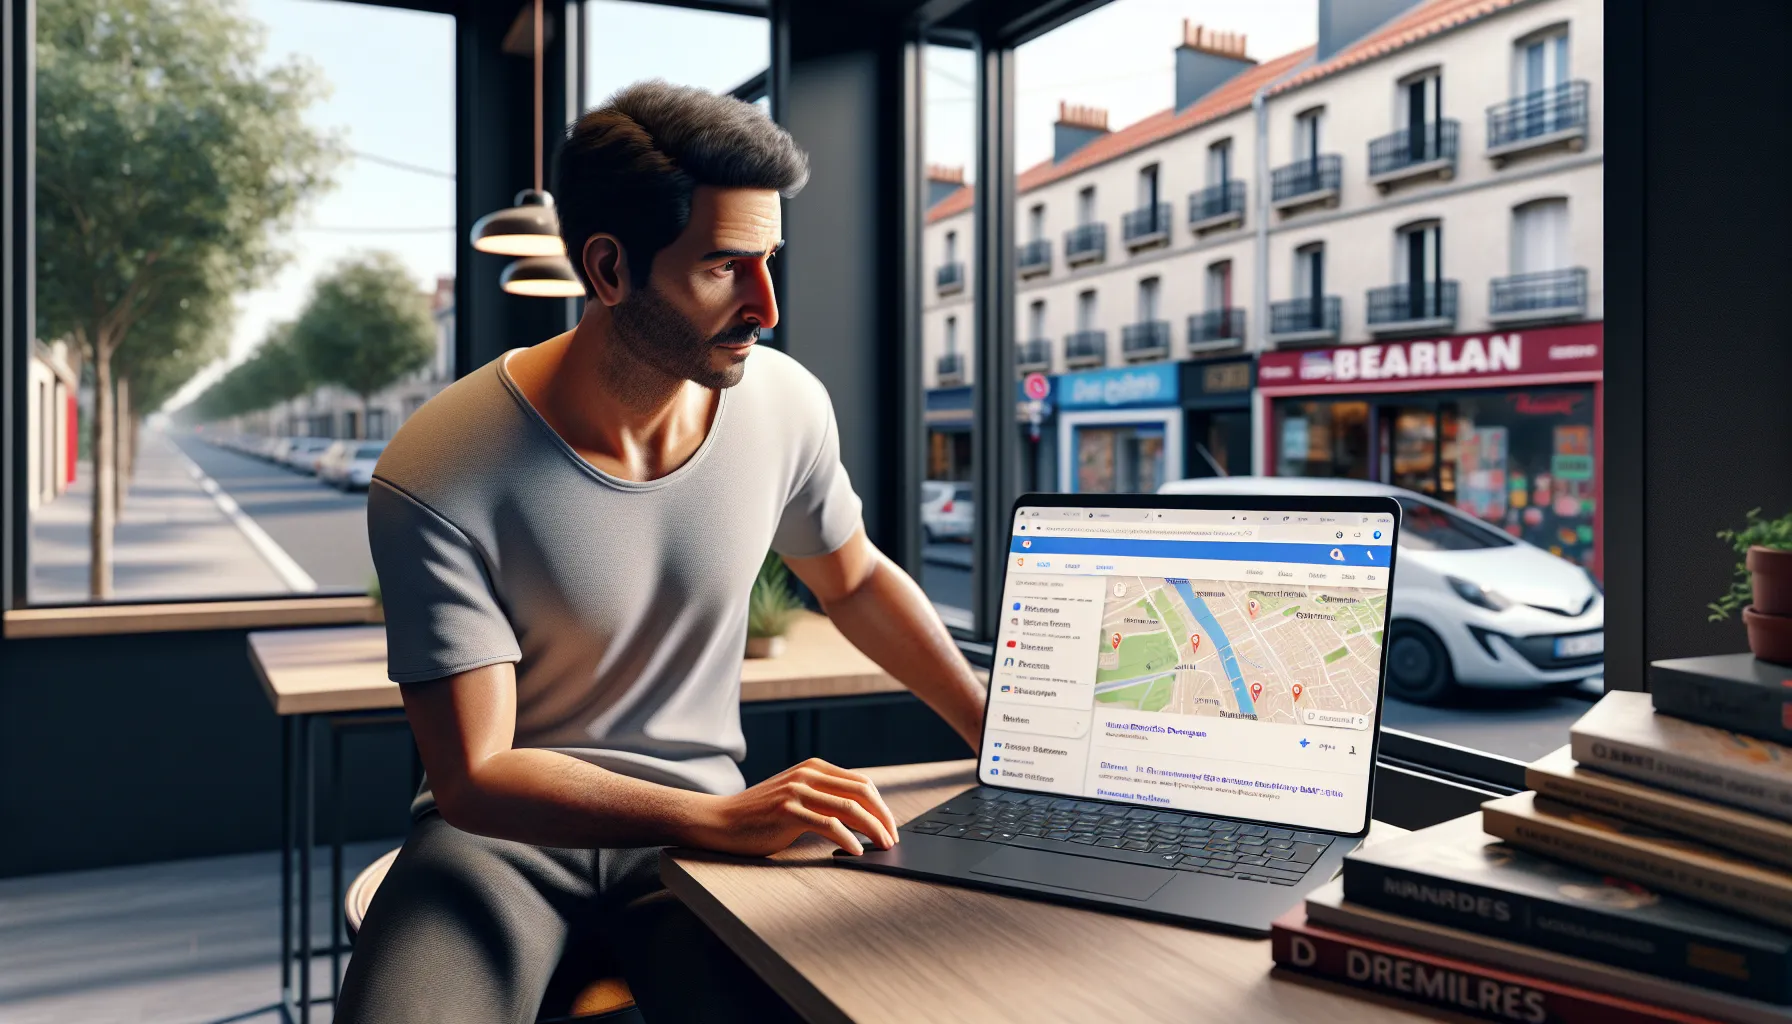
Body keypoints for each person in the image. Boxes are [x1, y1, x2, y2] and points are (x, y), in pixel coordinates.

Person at [334, 80, 986, 1024]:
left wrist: (992, 737)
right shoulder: (438, 467)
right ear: (608, 269)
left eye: (770, 261)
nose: (765, 304)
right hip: (499, 841)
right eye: (726, 266)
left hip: (702, 846)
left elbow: (855, 580)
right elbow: (475, 775)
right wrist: (715, 815)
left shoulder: (786, 404)